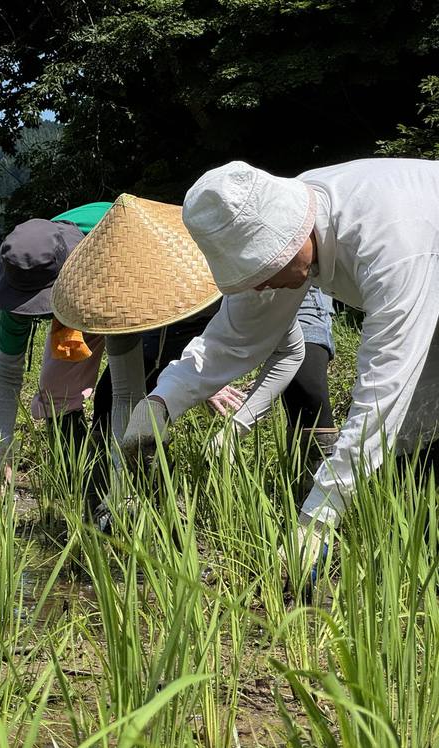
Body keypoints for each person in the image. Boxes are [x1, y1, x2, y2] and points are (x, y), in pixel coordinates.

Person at [119, 158, 439, 570]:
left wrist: (318, 517)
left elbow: (382, 391)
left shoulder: (390, 238)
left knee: (409, 424)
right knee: (414, 440)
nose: (264, 285)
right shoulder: (285, 221)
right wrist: (162, 402)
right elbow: (233, 338)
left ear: (291, 238)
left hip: (422, 258)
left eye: (265, 270)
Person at [0, 199, 335, 502]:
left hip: (249, 279)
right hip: (158, 294)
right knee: (90, 394)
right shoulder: (28, 272)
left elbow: (287, 352)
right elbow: (127, 388)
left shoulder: (164, 261)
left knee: (307, 384)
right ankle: (107, 486)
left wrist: (209, 389)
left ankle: (314, 498)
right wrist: (1, 453)